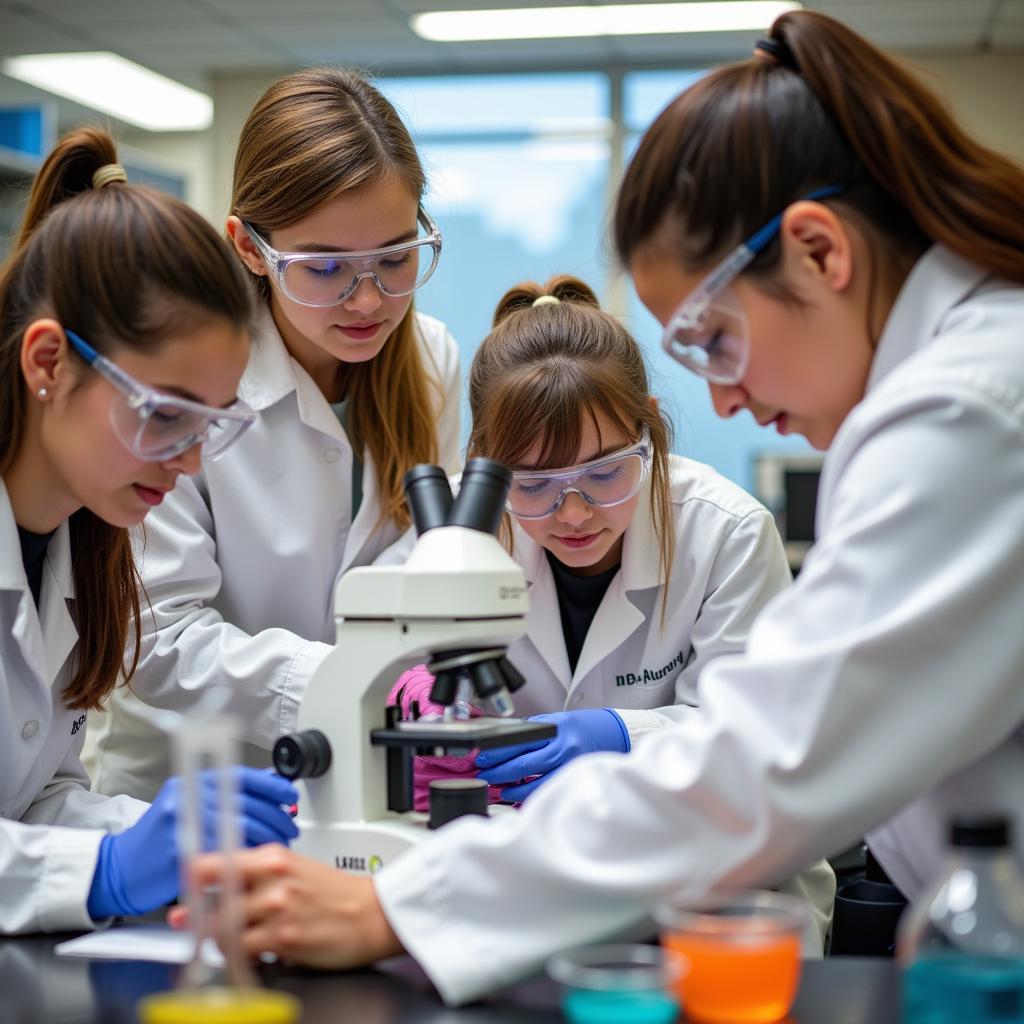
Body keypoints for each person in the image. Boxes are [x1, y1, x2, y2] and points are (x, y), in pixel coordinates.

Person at [183, 10, 1024, 1005]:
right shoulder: (966, 380)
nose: (721, 399)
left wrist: (397, 911)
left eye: (713, 338)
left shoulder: (963, 413)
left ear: (819, 253)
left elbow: (771, 755)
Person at [387, 275, 835, 950]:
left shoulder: (726, 532)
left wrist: (623, 734)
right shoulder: (454, 525)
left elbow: (758, 738)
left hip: (714, 888)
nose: (572, 513)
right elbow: (385, 677)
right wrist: (404, 690)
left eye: (604, 474)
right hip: (523, 879)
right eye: (533, 484)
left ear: (647, 428)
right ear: (485, 463)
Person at [88, 68, 462, 801]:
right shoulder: (185, 382)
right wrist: (343, 680)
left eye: (395, 257)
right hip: (183, 789)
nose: (368, 300)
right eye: (324, 267)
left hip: (361, 767)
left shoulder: (432, 362)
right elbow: (160, 637)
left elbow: (428, 561)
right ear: (250, 246)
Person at [0, 127, 299, 934]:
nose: (192, 463)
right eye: (167, 414)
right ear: (49, 362)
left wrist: (163, 839)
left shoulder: (79, 545)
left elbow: (35, 796)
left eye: (210, 424)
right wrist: (107, 870)